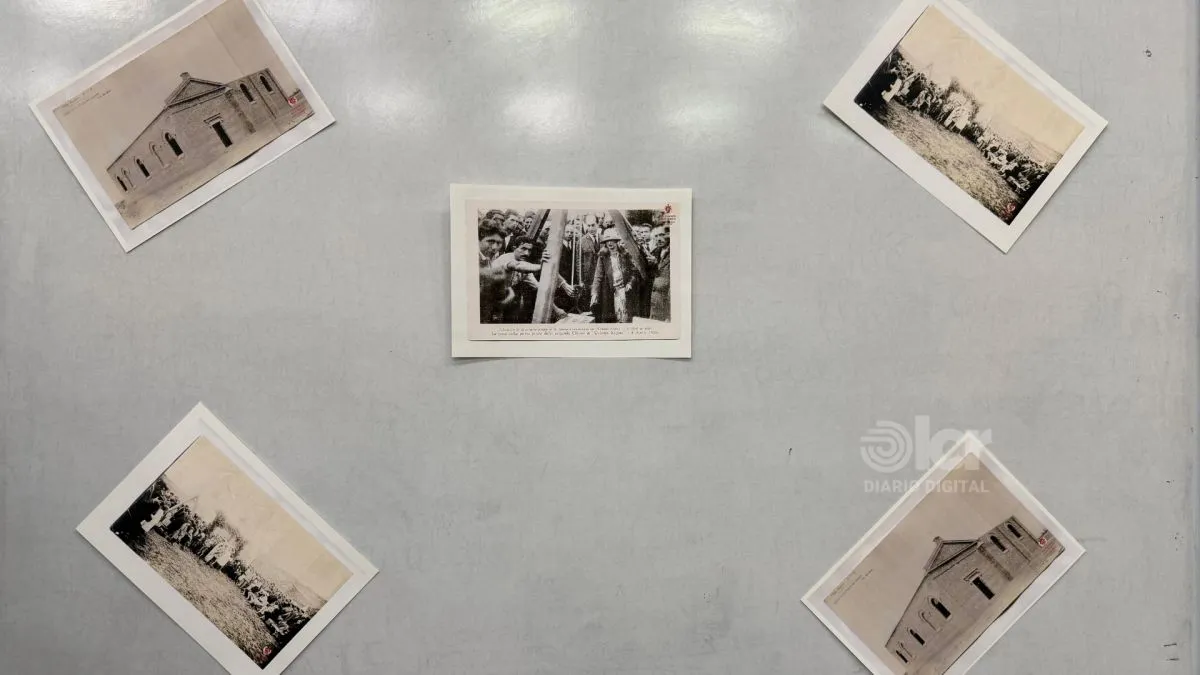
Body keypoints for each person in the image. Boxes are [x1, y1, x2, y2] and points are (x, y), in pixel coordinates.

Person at [590, 230, 641, 323]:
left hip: (624, 291)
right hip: (610, 292)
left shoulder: (625, 254)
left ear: (617, 241)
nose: (610, 243)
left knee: (625, 318)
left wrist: (630, 283)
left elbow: (634, 272)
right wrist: (594, 293)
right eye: (607, 241)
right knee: (611, 318)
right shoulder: (602, 257)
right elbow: (598, 276)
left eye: (612, 240)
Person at [645, 225, 671, 322]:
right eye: (656, 236)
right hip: (655, 302)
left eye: (661, 235)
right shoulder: (655, 251)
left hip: (667, 302)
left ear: (669, 235)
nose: (659, 239)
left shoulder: (675, 251)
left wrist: (656, 263)